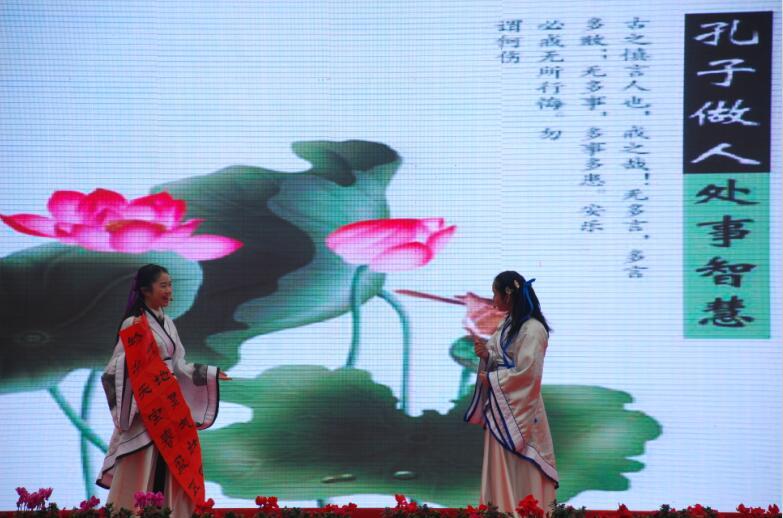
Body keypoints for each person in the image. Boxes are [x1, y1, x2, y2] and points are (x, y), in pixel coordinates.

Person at [97, 264, 229, 517]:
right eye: (163, 285)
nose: (169, 291)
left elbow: (178, 365)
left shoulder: (168, 323)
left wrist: (207, 373)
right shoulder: (133, 323)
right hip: (146, 406)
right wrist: (146, 374)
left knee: (172, 466)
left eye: (170, 285)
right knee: (143, 464)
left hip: (169, 403)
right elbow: (117, 367)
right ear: (146, 290)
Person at [464, 271, 558, 515]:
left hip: (522, 410)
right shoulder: (508, 324)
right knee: (500, 468)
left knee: (524, 469)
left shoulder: (533, 329)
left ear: (508, 295)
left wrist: (492, 379)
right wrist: (487, 356)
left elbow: (528, 372)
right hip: (501, 407)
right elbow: (501, 358)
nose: (493, 300)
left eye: (495, 294)